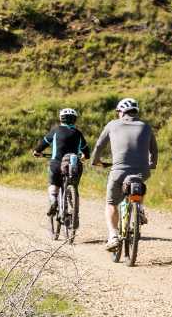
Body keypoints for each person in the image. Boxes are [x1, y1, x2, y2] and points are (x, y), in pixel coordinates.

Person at [90, 98, 158, 252]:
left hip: (119, 172)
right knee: (139, 182)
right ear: (135, 111)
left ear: (121, 112)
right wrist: (152, 164)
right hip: (142, 171)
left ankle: (113, 236)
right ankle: (139, 207)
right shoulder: (146, 126)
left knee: (111, 203)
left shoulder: (112, 125)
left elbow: (99, 145)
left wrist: (96, 161)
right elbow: (154, 150)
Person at [32, 108, 90, 218]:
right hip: (74, 164)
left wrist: (37, 152)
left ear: (60, 118)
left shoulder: (55, 130)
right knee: (74, 185)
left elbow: (43, 143)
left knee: (54, 184)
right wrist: (84, 156)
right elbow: (86, 152)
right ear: (75, 120)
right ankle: (74, 208)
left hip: (57, 163)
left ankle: (53, 199)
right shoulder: (78, 133)